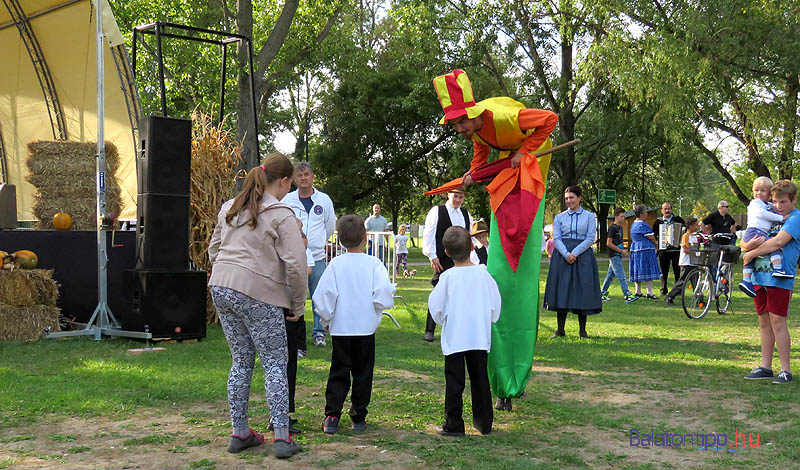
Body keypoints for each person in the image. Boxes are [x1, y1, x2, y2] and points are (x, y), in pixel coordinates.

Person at [429, 69, 559, 412]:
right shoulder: (476, 130)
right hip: (508, 169)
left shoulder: (504, 116)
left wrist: (525, 150)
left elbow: (549, 120)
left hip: (529, 169)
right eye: (454, 125)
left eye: (461, 123)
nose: (459, 129)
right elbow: (480, 151)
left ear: (472, 113)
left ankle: (511, 379)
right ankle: (502, 380)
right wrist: (474, 172)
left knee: (518, 261)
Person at [208, 153, 306, 459]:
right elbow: (296, 265)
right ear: (284, 181)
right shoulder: (281, 213)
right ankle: (281, 437)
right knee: (275, 362)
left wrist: (231, 276)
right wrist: (298, 305)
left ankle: (240, 432)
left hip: (222, 287)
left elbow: (214, 249)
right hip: (258, 293)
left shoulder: (231, 206)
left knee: (241, 361)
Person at [313, 215, 396, 433]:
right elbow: (383, 294)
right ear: (365, 237)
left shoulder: (335, 265)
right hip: (365, 329)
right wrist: (375, 311)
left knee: (339, 371)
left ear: (339, 240)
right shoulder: (374, 264)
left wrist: (326, 319)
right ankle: (358, 416)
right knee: (363, 373)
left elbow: (323, 297)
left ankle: (332, 415)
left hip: (341, 328)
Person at [428, 226, 501, 437]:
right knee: (480, 380)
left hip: (455, 337)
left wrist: (444, 322)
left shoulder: (447, 278)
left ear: (447, 253)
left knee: (454, 381)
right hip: (479, 336)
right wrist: (489, 319)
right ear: (471, 247)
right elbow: (495, 306)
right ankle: (484, 422)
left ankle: (454, 423)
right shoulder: (484, 276)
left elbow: (436, 308)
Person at [741, 180, 799, 384]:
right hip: (759, 276)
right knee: (764, 321)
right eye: (775, 202)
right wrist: (745, 245)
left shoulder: (794, 218)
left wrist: (749, 255)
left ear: (794, 199)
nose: (779, 206)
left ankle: (785, 369)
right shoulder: (767, 214)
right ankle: (766, 366)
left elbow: (778, 241)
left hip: (780, 278)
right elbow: (746, 236)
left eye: (783, 202)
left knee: (778, 321)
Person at [282, 162, 336, 349]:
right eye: (299, 175)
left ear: (312, 177)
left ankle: (319, 332)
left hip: (318, 256)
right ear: (294, 179)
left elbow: (330, 226)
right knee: (294, 295)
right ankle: (295, 335)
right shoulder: (287, 200)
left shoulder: (324, 200)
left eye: (307, 174)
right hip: (293, 257)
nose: (303, 178)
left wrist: (318, 242)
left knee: (319, 296)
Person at [543, 186, 602, 339]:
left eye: (572, 197)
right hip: (562, 256)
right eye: (567, 198)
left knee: (583, 290)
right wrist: (566, 254)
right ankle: (560, 330)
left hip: (582, 256)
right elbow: (556, 238)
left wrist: (574, 253)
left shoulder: (589, 217)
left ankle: (583, 331)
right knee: (562, 289)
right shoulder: (560, 217)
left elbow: (590, 238)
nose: (569, 201)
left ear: (579, 197)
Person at [421, 188, 475, 342]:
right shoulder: (437, 211)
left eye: (461, 197)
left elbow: (469, 236)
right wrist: (432, 256)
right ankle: (429, 329)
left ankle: (459, 328)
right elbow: (428, 235)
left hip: (462, 259)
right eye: (455, 196)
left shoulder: (465, 214)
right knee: (439, 291)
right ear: (448, 195)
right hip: (442, 259)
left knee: (462, 294)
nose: (458, 200)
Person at [738, 177, 791, 297]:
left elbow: (773, 211)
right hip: (755, 231)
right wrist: (781, 218)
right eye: (756, 190)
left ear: (769, 193)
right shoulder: (755, 203)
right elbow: (761, 214)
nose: (759, 193)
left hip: (758, 232)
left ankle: (746, 280)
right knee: (772, 246)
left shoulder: (767, 205)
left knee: (752, 257)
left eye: (763, 190)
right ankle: (778, 268)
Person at [601, 207, 638, 303]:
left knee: (610, 275)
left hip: (618, 254)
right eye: (622, 217)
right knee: (621, 275)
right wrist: (620, 251)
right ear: (616, 217)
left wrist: (623, 250)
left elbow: (619, 241)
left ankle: (602, 293)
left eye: (624, 217)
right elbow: (608, 243)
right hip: (613, 254)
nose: (623, 219)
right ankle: (627, 295)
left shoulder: (620, 228)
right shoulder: (612, 228)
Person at [652, 202, 686, 296]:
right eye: (665, 209)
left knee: (677, 270)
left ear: (671, 209)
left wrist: (681, 235)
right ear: (661, 210)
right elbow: (653, 234)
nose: (667, 211)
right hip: (663, 249)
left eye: (668, 209)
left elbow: (686, 230)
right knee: (663, 270)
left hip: (676, 249)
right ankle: (664, 288)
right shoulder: (658, 222)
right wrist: (657, 244)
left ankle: (677, 289)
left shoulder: (678, 220)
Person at [629, 205, 661, 298]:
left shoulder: (633, 224)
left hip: (635, 248)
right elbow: (650, 237)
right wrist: (656, 244)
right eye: (646, 212)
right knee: (648, 268)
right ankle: (649, 292)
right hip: (645, 248)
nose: (647, 214)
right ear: (642, 214)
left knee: (637, 269)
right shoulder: (643, 224)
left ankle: (638, 291)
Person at [665, 217, 699, 305]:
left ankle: (699, 298)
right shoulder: (685, 236)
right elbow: (685, 250)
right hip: (686, 263)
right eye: (696, 225)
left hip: (693, 262)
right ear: (691, 226)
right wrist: (696, 252)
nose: (698, 226)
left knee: (696, 281)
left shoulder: (695, 236)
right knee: (682, 282)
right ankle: (670, 296)